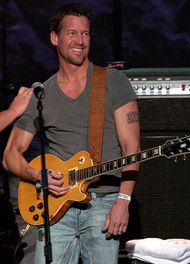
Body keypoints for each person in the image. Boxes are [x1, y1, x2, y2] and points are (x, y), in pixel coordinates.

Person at [3, 3, 140, 264]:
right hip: (55, 207)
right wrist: (35, 174)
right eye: (72, 33)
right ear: (54, 38)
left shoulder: (113, 82)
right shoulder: (42, 93)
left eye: (85, 34)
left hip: (103, 203)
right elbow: (10, 154)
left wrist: (123, 201)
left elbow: (131, 147)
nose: (80, 41)